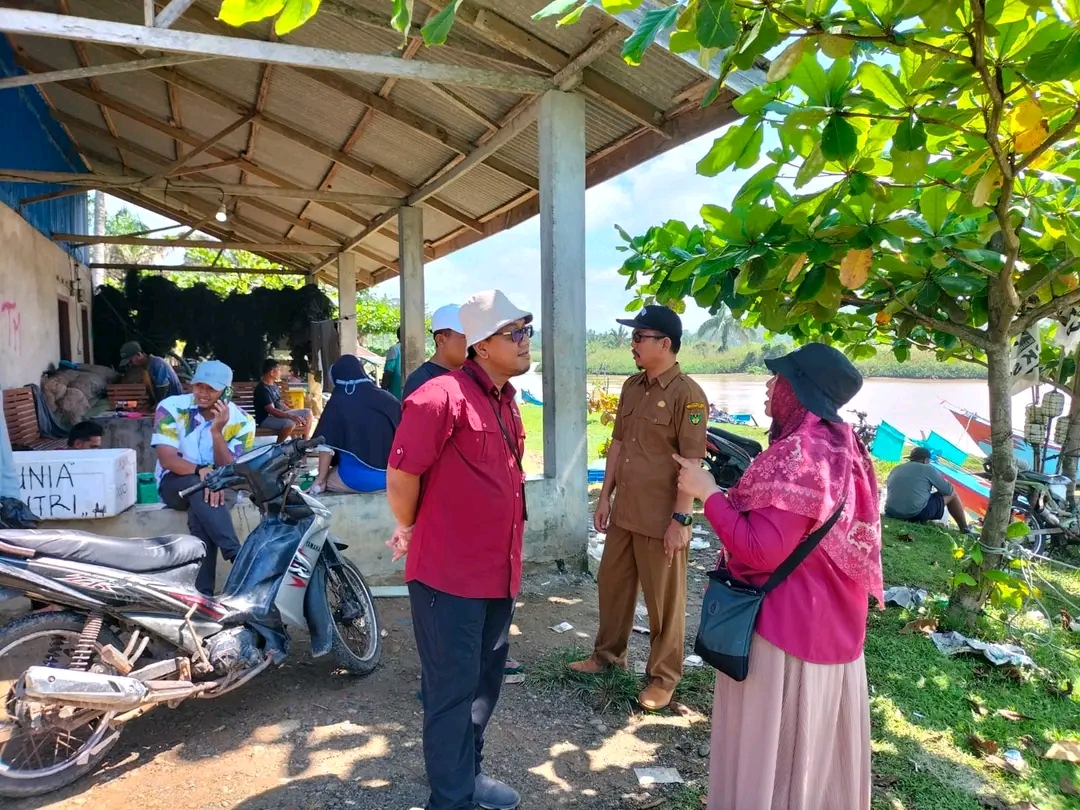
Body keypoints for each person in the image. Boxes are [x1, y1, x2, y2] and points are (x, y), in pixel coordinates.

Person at [673, 342, 881, 810]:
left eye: (779, 379)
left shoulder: (798, 455)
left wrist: (708, 494)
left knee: (777, 761)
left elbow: (759, 550)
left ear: (798, 391)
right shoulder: (843, 446)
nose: (769, 386)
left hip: (787, 637)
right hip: (835, 630)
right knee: (814, 767)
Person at [385, 290, 532, 810]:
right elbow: (401, 475)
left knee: (483, 686)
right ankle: (450, 801)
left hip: (497, 572)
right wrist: (411, 525)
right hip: (448, 577)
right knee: (450, 696)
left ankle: (468, 777)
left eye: (527, 331)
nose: (525, 342)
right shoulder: (437, 397)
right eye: (515, 333)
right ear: (482, 345)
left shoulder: (506, 399)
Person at [570, 305, 708, 711]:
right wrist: (604, 496)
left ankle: (663, 678)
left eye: (639, 337)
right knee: (612, 586)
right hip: (626, 512)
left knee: (664, 602)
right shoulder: (632, 387)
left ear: (665, 344)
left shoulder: (688, 395)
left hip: (661, 517)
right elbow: (618, 445)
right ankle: (607, 656)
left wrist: (682, 519)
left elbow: (692, 464)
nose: (631, 344)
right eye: (632, 337)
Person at [152, 360, 255, 597]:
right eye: (199, 386)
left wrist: (217, 432)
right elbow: (167, 460)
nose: (203, 393)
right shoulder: (170, 408)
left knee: (200, 513)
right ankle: (237, 555)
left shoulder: (243, 422)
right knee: (199, 488)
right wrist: (201, 471)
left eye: (211, 389)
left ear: (226, 391)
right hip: (176, 483)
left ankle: (203, 596)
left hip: (220, 485)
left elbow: (229, 468)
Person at [313, 355, 402, 494]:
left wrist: (320, 479)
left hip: (357, 479)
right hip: (394, 477)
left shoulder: (337, 402)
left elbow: (326, 445)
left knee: (325, 481)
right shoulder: (389, 399)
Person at [885, 446, 972, 532]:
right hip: (914, 515)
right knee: (953, 494)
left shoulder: (897, 468)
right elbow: (948, 490)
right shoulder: (928, 468)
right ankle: (965, 529)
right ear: (926, 460)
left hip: (891, 512)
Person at [402, 305, 468, 400]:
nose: (474, 343)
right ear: (440, 340)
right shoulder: (420, 382)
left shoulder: (471, 376)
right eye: (466, 337)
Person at [253, 359, 313, 443]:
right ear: (271, 372)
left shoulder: (274, 385)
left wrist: (290, 410)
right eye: (278, 370)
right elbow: (272, 410)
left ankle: (305, 443)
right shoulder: (262, 389)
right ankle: (278, 446)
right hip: (266, 419)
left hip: (278, 414)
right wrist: (290, 416)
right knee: (290, 423)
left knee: (307, 412)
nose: (280, 372)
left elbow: (278, 402)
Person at [381, 326, 403, 399]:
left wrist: (383, 389)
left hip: (396, 391)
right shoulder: (414, 349)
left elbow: (388, 371)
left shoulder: (394, 349)